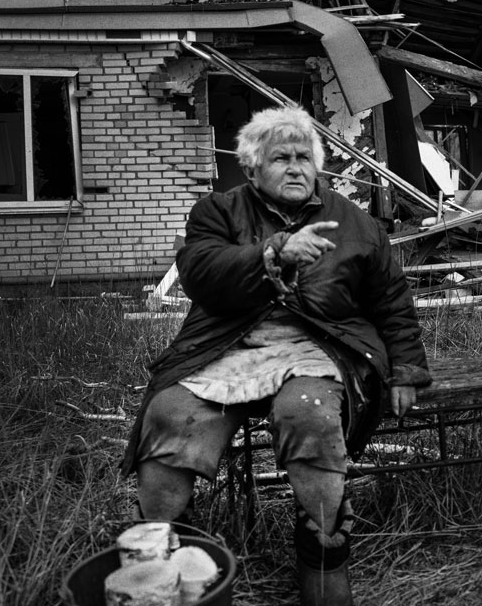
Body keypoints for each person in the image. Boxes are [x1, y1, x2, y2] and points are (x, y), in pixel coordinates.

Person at [120, 104, 431, 606]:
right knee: (171, 415)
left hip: (321, 347)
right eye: (281, 158)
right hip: (229, 342)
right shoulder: (216, 212)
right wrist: (275, 253)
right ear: (251, 169)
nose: (296, 167)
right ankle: (164, 559)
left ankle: (323, 550)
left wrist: (407, 371)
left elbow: (392, 303)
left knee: (308, 414)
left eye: (304, 157)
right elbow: (201, 271)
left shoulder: (356, 224)